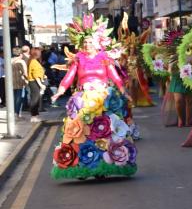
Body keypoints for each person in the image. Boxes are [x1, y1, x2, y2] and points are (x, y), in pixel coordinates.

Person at [50, 32, 138, 180]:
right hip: (83, 99)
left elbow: (115, 77)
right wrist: (59, 92)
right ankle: (81, 165)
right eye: (85, 43)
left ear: (97, 44)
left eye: (90, 42)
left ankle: (105, 164)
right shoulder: (78, 60)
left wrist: (124, 92)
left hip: (102, 99)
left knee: (104, 130)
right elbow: (69, 77)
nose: (87, 45)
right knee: (81, 131)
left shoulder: (105, 59)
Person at [27, 48, 46, 122]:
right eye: (40, 52)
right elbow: (35, 75)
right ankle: (34, 117)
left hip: (33, 82)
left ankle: (35, 116)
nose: (41, 53)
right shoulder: (34, 62)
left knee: (35, 99)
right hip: (34, 82)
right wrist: (41, 84)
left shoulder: (32, 60)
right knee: (35, 100)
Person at [11, 47, 28, 118]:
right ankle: (16, 113)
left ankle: (13, 112)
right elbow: (25, 73)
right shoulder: (21, 62)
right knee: (19, 98)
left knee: (13, 98)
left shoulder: (9, 60)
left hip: (10, 82)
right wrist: (27, 80)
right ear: (20, 54)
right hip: (19, 82)